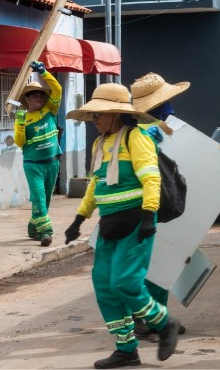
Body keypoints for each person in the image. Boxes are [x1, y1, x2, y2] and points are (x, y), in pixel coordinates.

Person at [63, 83, 181, 369]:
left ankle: (165, 324)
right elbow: (96, 185)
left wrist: (148, 217)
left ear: (116, 114)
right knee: (104, 285)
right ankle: (126, 349)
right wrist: (80, 218)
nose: (95, 120)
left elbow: (151, 179)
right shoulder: (100, 143)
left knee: (125, 282)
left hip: (135, 222)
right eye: (92, 115)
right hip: (110, 224)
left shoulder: (136, 138)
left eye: (99, 115)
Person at [130, 72, 190, 336]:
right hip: (146, 207)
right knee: (153, 266)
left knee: (147, 265)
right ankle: (154, 321)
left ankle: (148, 318)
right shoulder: (143, 134)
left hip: (140, 207)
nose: (170, 110)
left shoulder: (141, 130)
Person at [14, 61, 63, 247]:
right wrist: (19, 124)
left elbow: (57, 89)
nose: (38, 98)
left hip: (52, 162)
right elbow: (20, 143)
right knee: (39, 197)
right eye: (34, 96)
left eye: (41, 95)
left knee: (45, 199)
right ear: (27, 99)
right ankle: (45, 232)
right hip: (33, 164)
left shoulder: (50, 109)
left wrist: (44, 73)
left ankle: (33, 228)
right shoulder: (23, 118)